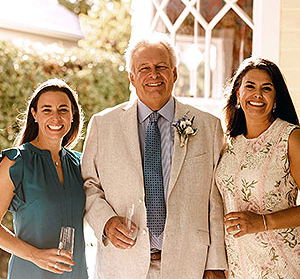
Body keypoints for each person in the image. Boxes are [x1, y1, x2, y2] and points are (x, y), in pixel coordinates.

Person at [81, 33, 227, 279]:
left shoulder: (208, 127)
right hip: (122, 264)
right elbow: (88, 185)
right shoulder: (103, 125)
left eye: (161, 67)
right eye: (144, 68)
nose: (154, 75)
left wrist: (215, 264)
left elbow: (216, 199)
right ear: (132, 78)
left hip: (189, 264)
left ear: (175, 73)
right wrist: (105, 222)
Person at [215, 57, 300, 279]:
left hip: (283, 266)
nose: (257, 95)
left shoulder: (290, 138)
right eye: (250, 86)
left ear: (276, 98)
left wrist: (262, 222)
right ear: (237, 95)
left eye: (266, 88)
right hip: (238, 269)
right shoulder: (228, 143)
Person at [0, 79, 88, 278]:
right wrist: (36, 256)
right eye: (47, 110)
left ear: (73, 115)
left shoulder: (81, 164)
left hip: (75, 272)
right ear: (34, 114)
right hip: (31, 273)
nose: (55, 118)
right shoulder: (16, 162)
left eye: (63, 110)